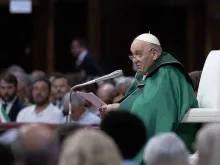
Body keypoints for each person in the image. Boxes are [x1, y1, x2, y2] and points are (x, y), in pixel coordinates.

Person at [101, 33, 199, 164]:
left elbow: (151, 112)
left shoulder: (166, 74)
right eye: (132, 55)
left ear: (154, 53)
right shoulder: (149, 73)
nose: (134, 60)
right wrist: (117, 107)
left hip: (173, 143)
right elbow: (138, 99)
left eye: (139, 54)